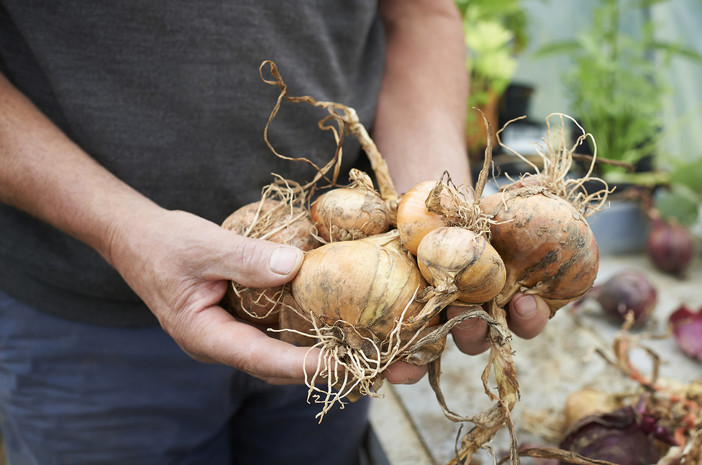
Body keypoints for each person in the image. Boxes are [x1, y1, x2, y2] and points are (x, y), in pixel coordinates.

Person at [0, 1, 552, 464]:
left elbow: (421, 12)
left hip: (341, 326)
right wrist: (118, 229)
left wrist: (433, 206)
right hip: (86, 325)